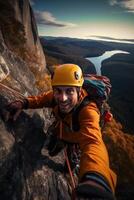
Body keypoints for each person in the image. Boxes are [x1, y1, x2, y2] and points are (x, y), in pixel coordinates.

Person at [6, 64, 117, 199]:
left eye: (69, 91)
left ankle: (68, 166)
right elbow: (40, 100)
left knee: (69, 162)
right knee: (52, 150)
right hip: (60, 133)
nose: (62, 98)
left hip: (74, 141)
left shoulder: (89, 111)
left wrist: (97, 177)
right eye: (58, 91)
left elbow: (93, 142)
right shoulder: (54, 97)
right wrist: (23, 103)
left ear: (79, 90)